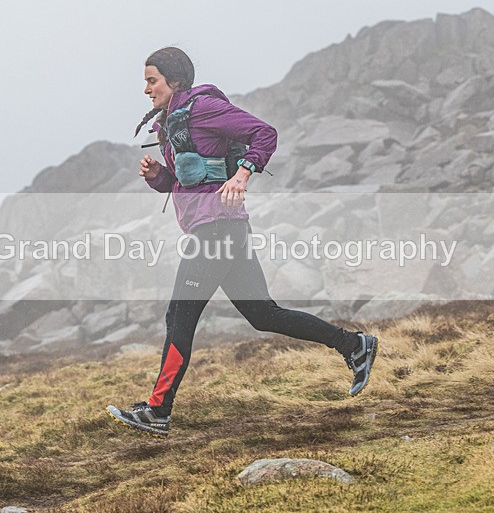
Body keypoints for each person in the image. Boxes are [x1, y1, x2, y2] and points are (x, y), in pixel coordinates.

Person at [106, 47, 378, 437]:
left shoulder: (202, 109)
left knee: (178, 318)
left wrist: (243, 175)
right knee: (263, 314)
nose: (146, 89)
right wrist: (157, 175)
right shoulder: (172, 123)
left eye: (152, 80)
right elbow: (185, 181)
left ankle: (157, 410)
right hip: (223, 229)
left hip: (216, 232)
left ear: (175, 80)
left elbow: (264, 133)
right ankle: (353, 345)